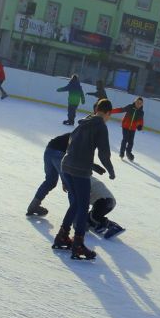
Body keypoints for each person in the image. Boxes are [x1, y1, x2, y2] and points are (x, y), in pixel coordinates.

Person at [52, 98, 116, 260]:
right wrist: (110, 169)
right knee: (82, 206)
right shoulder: (100, 125)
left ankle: (62, 236)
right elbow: (104, 153)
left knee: (75, 203)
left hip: (66, 165)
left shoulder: (84, 121)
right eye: (110, 116)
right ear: (108, 113)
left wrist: (92, 166)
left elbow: (73, 145)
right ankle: (78, 244)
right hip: (79, 170)